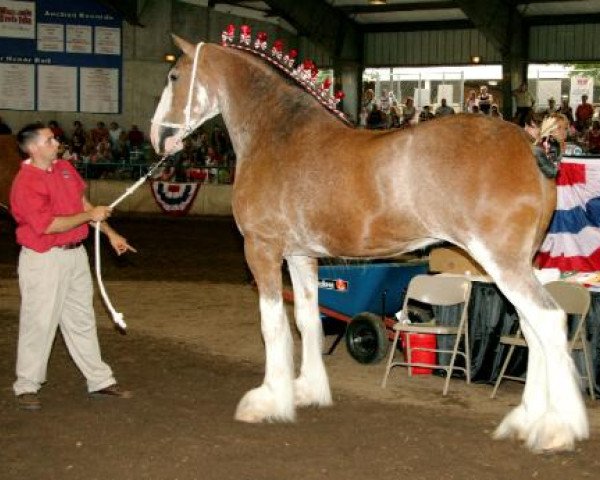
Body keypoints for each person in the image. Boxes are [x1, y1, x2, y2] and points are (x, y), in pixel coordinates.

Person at [9, 123, 136, 410]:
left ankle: (99, 380)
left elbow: (82, 202)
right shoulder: (26, 183)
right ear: (33, 148)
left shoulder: (65, 168)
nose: (57, 143)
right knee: (39, 322)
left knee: (82, 319)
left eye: (54, 139)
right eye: (50, 140)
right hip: (44, 260)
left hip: (75, 255)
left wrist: (110, 233)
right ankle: (27, 384)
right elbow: (50, 225)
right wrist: (89, 214)